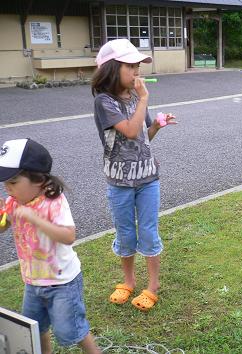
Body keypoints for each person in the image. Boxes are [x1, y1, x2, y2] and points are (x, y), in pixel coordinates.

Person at [91, 38, 176, 311]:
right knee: (126, 233)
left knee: (149, 232)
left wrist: (158, 126)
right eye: (131, 67)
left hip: (148, 178)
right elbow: (128, 130)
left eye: (138, 67)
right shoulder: (104, 102)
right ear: (112, 69)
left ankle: (152, 286)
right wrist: (145, 100)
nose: (137, 72)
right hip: (119, 182)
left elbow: (143, 136)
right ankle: (128, 281)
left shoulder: (137, 99)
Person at [0, 138, 101, 354]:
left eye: (13, 182)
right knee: (35, 328)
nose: (7, 188)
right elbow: (3, 226)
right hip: (32, 280)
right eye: (5, 182)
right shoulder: (14, 200)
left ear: (38, 179)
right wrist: (4, 217)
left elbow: (68, 236)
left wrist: (35, 218)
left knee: (72, 331)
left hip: (62, 281)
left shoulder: (53, 201)